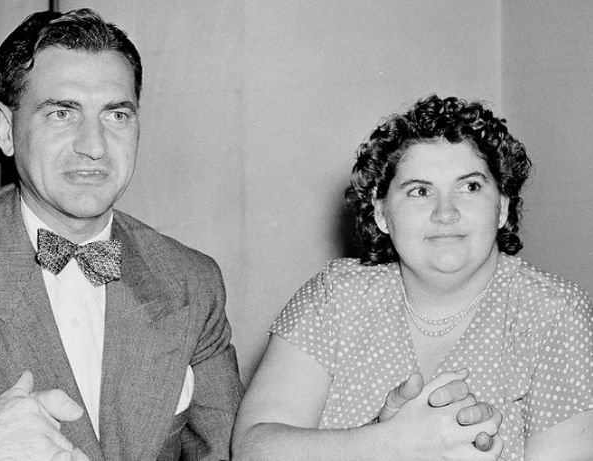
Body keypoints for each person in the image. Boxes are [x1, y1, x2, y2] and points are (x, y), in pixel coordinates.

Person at [0, 8, 242, 461]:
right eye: (62, 113)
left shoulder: (192, 281)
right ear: (6, 129)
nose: (93, 146)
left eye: (116, 115)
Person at [232, 95, 593, 460]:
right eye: (420, 191)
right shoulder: (335, 294)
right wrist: (387, 442)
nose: (446, 213)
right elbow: (252, 448)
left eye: (470, 187)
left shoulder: (555, 312)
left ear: (501, 206)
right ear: (382, 213)